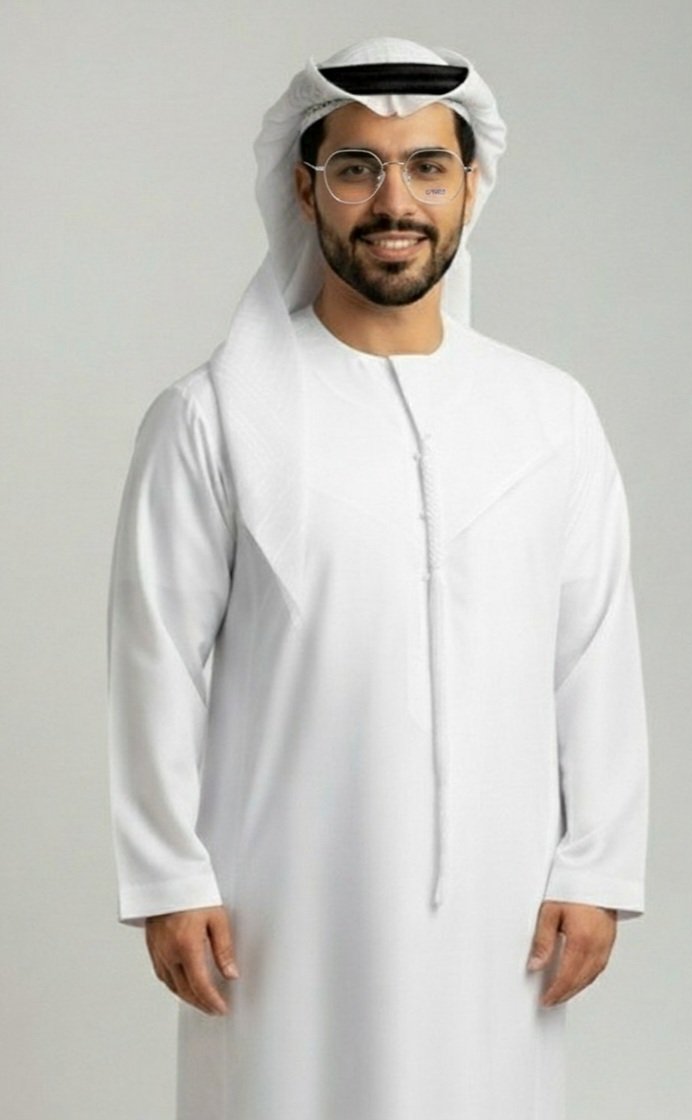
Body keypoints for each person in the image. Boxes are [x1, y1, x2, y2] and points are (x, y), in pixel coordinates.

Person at [107, 36, 650, 1120]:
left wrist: (596, 867)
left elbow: (592, 650)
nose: (394, 202)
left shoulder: (549, 415)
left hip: (501, 911)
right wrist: (170, 877)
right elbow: (154, 656)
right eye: (356, 168)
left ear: (469, 188)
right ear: (304, 190)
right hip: (278, 909)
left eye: (426, 168)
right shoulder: (215, 415)